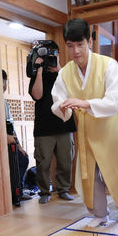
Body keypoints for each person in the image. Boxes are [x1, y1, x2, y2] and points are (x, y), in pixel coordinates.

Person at [51, 19, 118, 227]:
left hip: (112, 127)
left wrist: (84, 103)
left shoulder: (108, 64)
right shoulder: (65, 73)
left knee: (117, 168)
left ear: (90, 42)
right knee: (90, 173)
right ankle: (100, 213)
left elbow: (115, 101)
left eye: (80, 44)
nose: (75, 51)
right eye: (70, 45)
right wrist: (61, 107)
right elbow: (57, 100)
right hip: (87, 131)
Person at [28, 42, 76, 204]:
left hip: (64, 124)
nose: (51, 58)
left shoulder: (65, 74)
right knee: (43, 162)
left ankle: (63, 189)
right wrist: (40, 70)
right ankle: (43, 192)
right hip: (44, 126)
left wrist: (60, 70)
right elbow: (37, 95)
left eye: (54, 54)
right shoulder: (36, 74)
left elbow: (73, 91)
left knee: (65, 161)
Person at [2, 70, 32, 207]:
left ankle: (18, 191)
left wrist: (19, 146)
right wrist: (4, 137)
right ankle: (12, 193)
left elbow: (11, 126)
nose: (3, 85)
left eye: (5, 81)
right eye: (0, 81)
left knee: (23, 158)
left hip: (10, 141)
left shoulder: (5, 103)